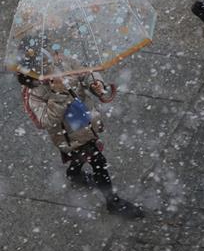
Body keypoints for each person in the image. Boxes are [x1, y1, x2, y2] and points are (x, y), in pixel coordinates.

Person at [18, 72, 144, 218]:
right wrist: (58, 93)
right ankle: (113, 202)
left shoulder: (61, 65)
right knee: (99, 162)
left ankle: (74, 174)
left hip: (85, 123)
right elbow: (44, 121)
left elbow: (85, 72)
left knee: (84, 154)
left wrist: (95, 83)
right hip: (69, 135)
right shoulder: (33, 93)